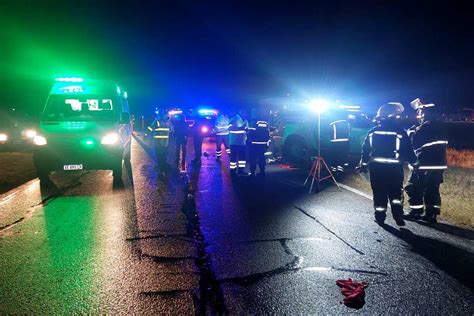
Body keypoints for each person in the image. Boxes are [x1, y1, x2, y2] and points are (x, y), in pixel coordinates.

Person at [358, 102, 417, 226]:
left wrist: (363, 164)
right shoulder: (400, 132)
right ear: (394, 116)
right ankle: (398, 216)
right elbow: (408, 150)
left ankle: (380, 217)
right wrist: (415, 163)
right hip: (395, 170)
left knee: (379, 193)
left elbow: (365, 150)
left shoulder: (372, 132)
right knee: (396, 193)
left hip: (377, 169)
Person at [404, 98, 448, 223]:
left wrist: (411, 131)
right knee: (432, 189)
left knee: (413, 187)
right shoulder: (440, 126)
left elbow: (415, 140)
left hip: (424, 164)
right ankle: (432, 215)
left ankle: (416, 211)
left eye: (419, 110)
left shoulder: (426, 126)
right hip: (438, 165)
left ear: (426, 112)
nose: (418, 113)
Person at [148, 110, 171, 175]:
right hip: (165, 142)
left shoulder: (157, 121)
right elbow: (172, 130)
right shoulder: (168, 122)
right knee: (164, 155)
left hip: (157, 142)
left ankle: (161, 169)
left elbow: (150, 128)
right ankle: (163, 168)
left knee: (159, 156)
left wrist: (146, 134)